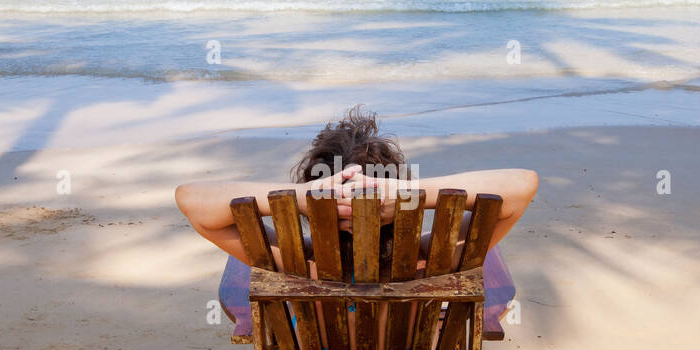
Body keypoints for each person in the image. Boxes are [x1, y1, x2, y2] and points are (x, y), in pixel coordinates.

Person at [174, 106, 538, 273]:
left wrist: (300, 200)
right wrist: (411, 196)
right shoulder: (431, 262)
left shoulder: (295, 265)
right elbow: (521, 185)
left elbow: (191, 198)